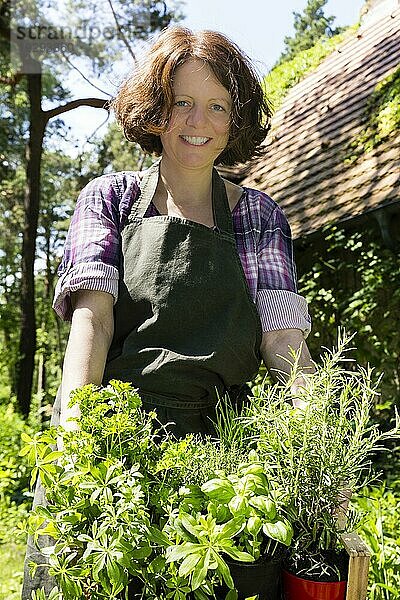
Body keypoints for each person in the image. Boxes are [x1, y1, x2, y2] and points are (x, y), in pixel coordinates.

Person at [22, 25, 313, 598]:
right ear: (155, 109)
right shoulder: (108, 200)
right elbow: (93, 320)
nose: (198, 124)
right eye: (183, 103)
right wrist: (74, 443)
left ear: (237, 121)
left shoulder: (258, 217)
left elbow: (283, 341)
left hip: (225, 463)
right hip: (116, 447)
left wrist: (319, 446)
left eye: (217, 107)